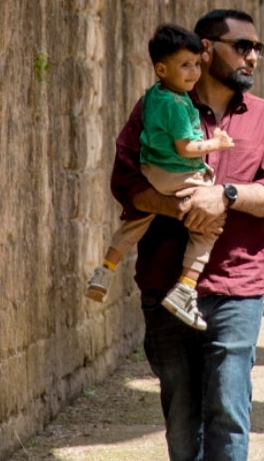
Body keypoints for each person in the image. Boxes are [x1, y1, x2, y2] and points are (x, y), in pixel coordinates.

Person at [109, 8, 264, 461]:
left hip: (237, 281)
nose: (252, 57)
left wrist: (228, 197)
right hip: (166, 278)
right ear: (208, 49)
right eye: (242, 46)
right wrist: (176, 205)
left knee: (228, 405)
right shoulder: (159, 106)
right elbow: (125, 180)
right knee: (180, 408)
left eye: (257, 47)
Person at [86, 24, 237, 325]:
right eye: (185, 65)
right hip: (178, 175)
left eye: (196, 64)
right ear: (162, 68)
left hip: (151, 172)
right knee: (210, 225)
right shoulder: (178, 104)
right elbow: (186, 147)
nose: (193, 72)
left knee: (136, 221)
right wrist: (216, 143)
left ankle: (104, 271)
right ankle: (185, 288)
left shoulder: (153, 96)